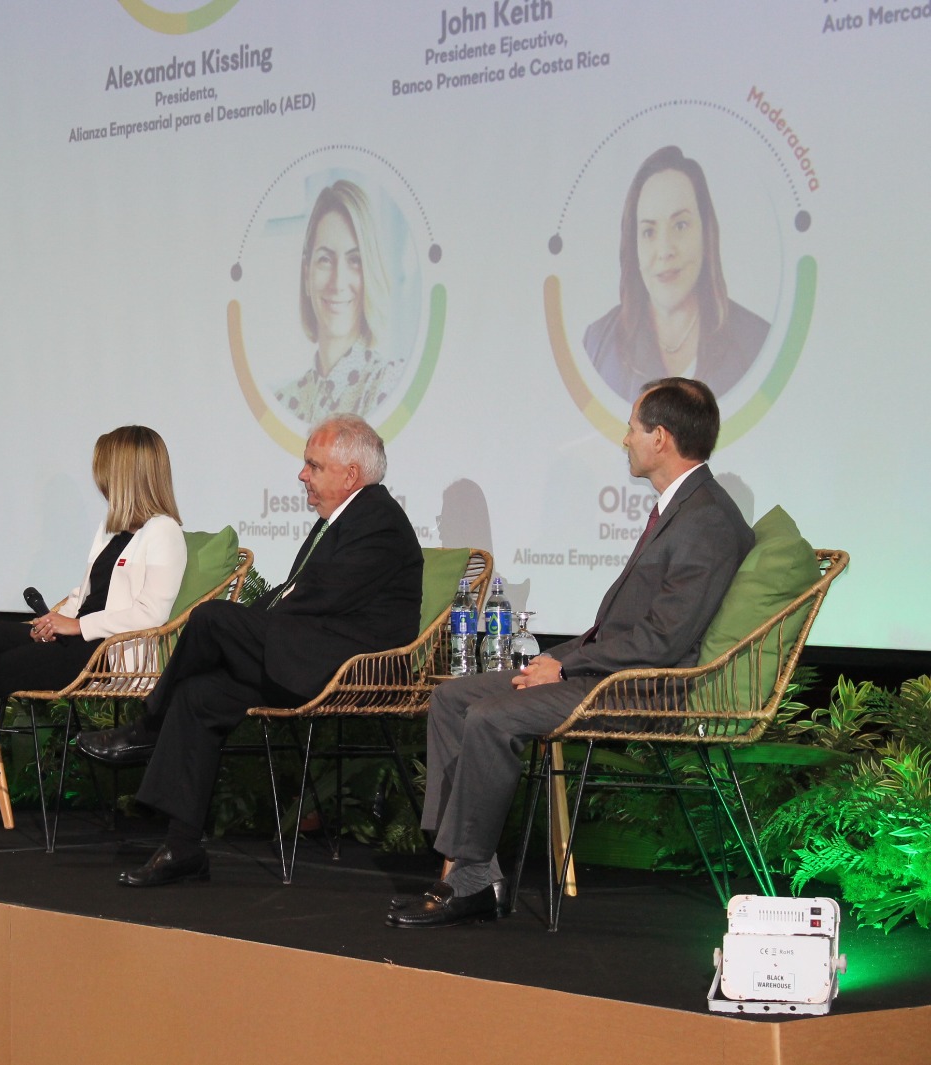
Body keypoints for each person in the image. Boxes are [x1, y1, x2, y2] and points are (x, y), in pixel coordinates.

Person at [390, 378, 753, 928]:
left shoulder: (707, 518)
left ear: (660, 437)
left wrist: (566, 665)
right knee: (452, 699)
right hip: (604, 670)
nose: (624, 439)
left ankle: (465, 881)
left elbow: (664, 641)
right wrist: (558, 659)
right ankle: (471, 869)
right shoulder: (683, 508)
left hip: (643, 687)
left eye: (632, 429)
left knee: (490, 716)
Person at [78, 414, 424, 886]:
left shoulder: (378, 520)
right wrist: (252, 623)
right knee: (199, 695)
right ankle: (182, 847)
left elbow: (322, 598)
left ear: (350, 475)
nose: (302, 475)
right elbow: (295, 593)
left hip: (350, 663)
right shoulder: (343, 518)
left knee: (211, 618)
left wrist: (246, 626)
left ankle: (149, 727)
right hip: (309, 651)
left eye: (314, 466)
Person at [0, 425, 187, 848]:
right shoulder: (111, 529)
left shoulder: (164, 532)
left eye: (104, 468)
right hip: (76, 638)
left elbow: (150, 614)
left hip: (105, 653)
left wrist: (77, 626)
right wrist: (55, 619)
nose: (98, 477)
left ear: (126, 471)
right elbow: (85, 594)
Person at [584, 146, 770, 402]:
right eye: (649, 232)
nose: (665, 251)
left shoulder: (757, 342)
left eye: (680, 225)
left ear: (705, 233)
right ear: (633, 245)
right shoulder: (596, 346)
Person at [275, 180, 402, 423]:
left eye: (355, 260)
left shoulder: (389, 384)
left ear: (370, 273)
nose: (338, 282)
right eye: (325, 259)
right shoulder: (282, 401)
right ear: (306, 274)